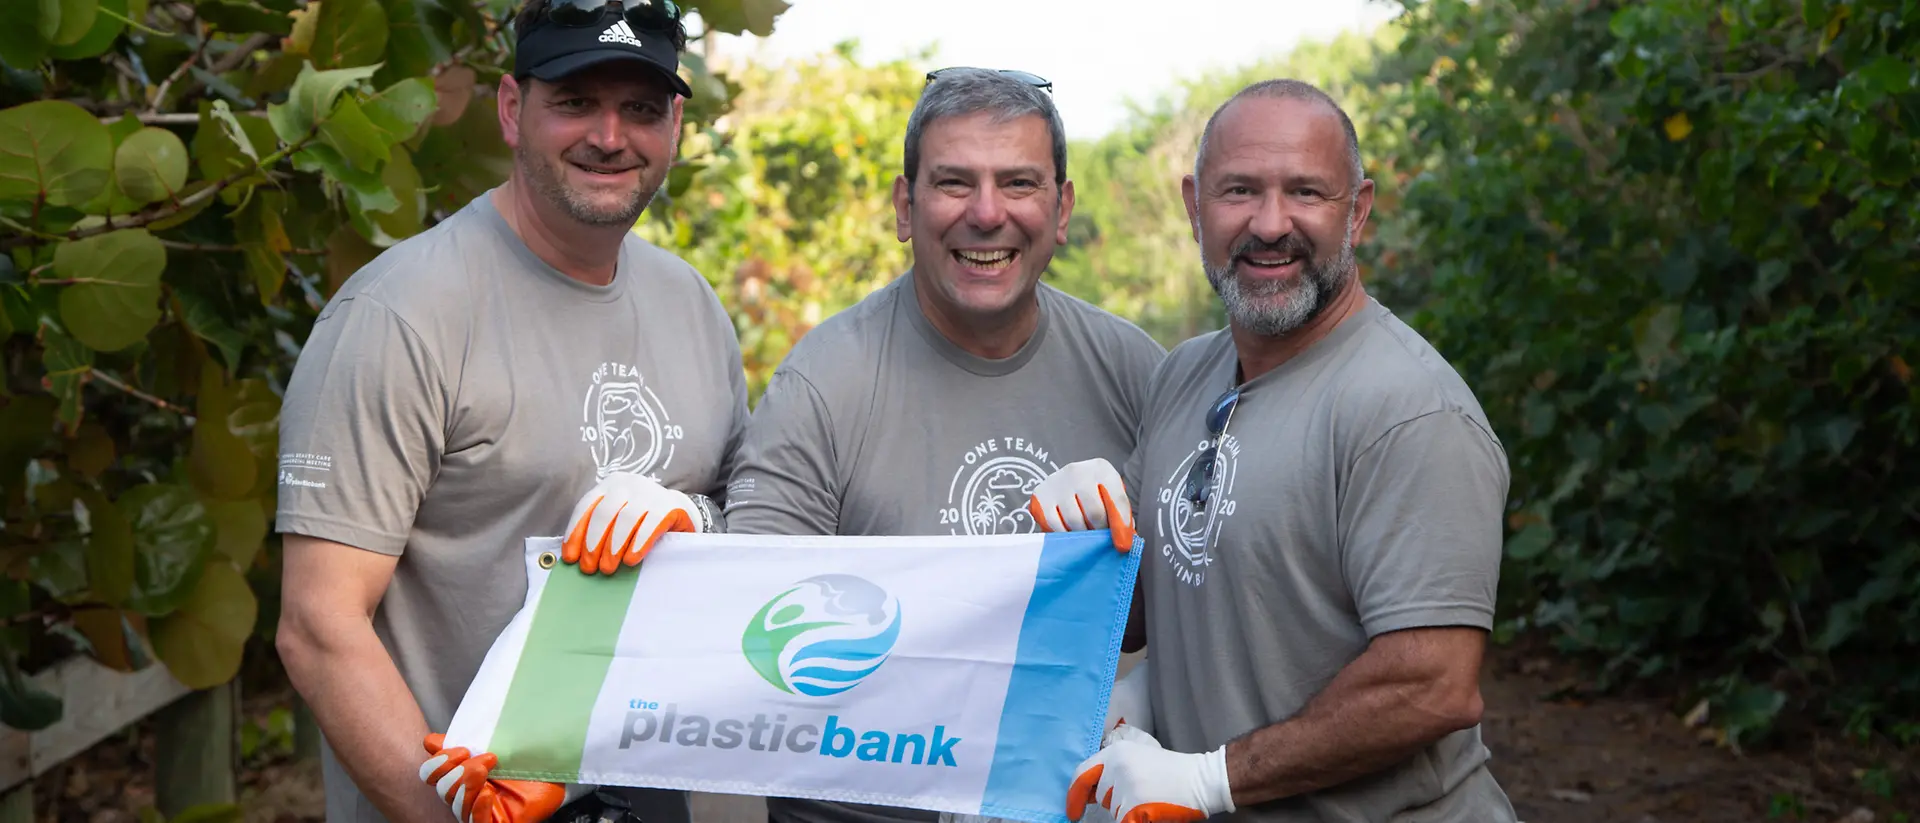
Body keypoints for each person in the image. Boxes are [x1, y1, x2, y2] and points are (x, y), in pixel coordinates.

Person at [564, 67, 1166, 823]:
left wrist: (1108, 557)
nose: (987, 213)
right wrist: (685, 531)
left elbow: (1191, 616)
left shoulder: (1139, 374)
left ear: (1062, 207)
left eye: (1018, 182)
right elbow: (749, 623)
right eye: (953, 183)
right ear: (904, 207)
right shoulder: (827, 380)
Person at [271, 0, 746, 820]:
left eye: (638, 108)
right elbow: (319, 628)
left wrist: (690, 514)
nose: (609, 135)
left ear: (674, 123)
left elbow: (744, 541)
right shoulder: (401, 316)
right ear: (510, 109)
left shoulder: (693, 306)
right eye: (573, 101)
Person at [1035, 79, 1520, 823]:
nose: (1269, 224)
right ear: (1195, 205)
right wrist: (1087, 533)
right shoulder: (1184, 374)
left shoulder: (1410, 410)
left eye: (1305, 192)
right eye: (1239, 191)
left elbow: (1431, 686)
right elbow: (1140, 617)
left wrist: (1207, 779)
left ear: (1356, 209)